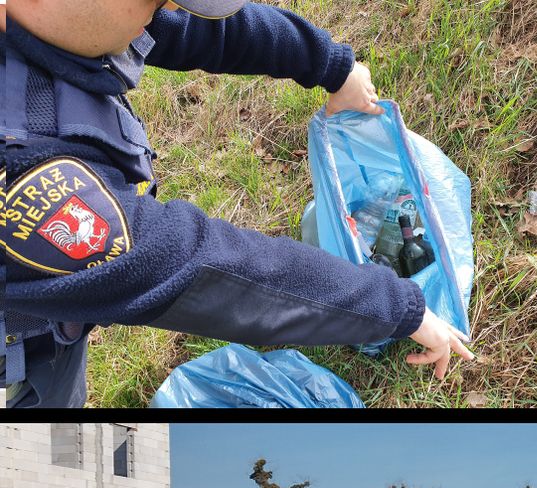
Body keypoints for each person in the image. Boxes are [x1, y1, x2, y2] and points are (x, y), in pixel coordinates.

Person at [1, 0, 472, 408]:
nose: (165, 11)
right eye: (153, 0)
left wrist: (332, 66)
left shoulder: (63, 18)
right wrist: (398, 308)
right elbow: (204, 270)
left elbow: (203, 31)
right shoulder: (23, 169)